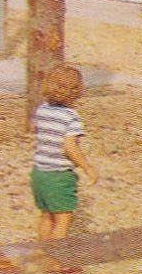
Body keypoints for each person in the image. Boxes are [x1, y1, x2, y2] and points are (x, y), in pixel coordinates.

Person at [30, 63, 98, 241]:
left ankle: (44, 254)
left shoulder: (42, 110)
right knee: (63, 220)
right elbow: (70, 147)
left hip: (39, 173)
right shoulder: (72, 118)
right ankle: (57, 260)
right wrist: (87, 166)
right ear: (76, 91)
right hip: (58, 175)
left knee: (46, 216)